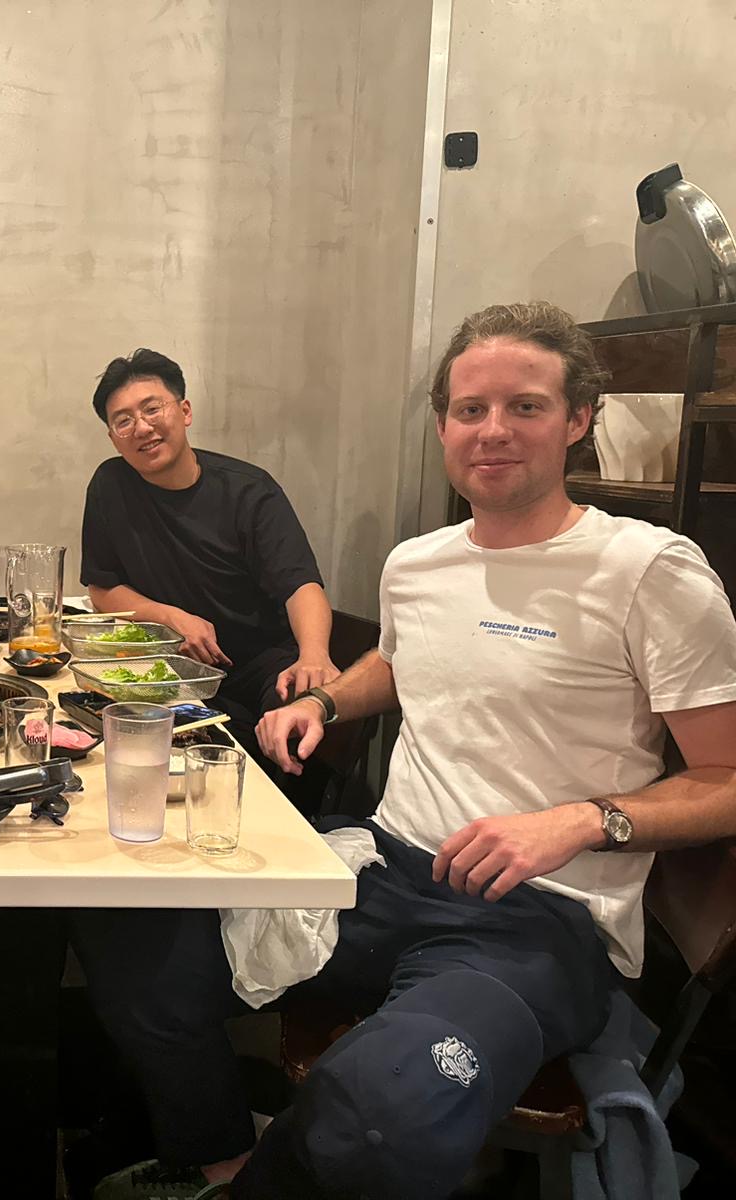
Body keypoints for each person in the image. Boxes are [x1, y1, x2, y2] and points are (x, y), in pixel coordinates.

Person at [74, 303, 736, 1199]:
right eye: (470, 410)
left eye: (526, 407)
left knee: (384, 1112)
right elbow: (403, 660)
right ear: (443, 425)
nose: (492, 430)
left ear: (579, 419)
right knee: (123, 934)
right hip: (385, 873)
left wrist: (583, 821)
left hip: (538, 920)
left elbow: (726, 780)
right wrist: (324, 698)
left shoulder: (651, 570)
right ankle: (227, 1155)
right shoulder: (418, 562)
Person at [79, 349, 339, 728]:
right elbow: (103, 589)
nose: (142, 427)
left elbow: (299, 584)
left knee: (298, 706)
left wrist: (315, 655)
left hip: (258, 664)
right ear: (113, 437)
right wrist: (172, 619)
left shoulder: (250, 492)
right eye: (124, 421)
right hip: (167, 667)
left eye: (152, 409)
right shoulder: (110, 486)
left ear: (184, 411)